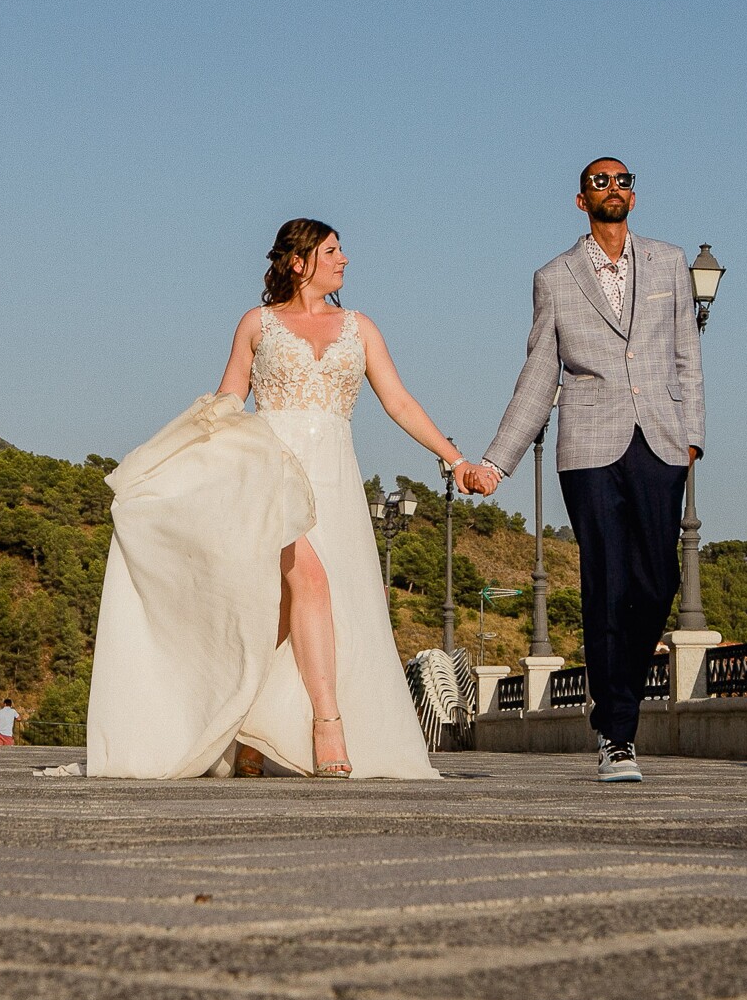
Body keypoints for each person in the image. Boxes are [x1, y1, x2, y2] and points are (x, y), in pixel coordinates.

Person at [75, 219, 473, 780]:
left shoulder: (360, 327)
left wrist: (455, 461)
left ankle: (248, 729)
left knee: (280, 613)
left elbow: (399, 401)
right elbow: (229, 402)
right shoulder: (257, 324)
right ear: (299, 261)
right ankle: (326, 727)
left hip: (334, 477)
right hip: (270, 475)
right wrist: (176, 464)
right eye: (333, 251)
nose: (345, 260)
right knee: (309, 584)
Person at [470, 157, 704, 784]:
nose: (613, 189)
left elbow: (688, 356)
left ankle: (617, 697)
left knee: (658, 583)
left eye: (623, 180)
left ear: (634, 194)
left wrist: (693, 440)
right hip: (589, 446)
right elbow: (539, 375)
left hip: (660, 440)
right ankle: (617, 734)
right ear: (581, 200)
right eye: (600, 182)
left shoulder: (669, 263)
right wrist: (498, 460)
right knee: (606, 585)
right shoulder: (555, 277)